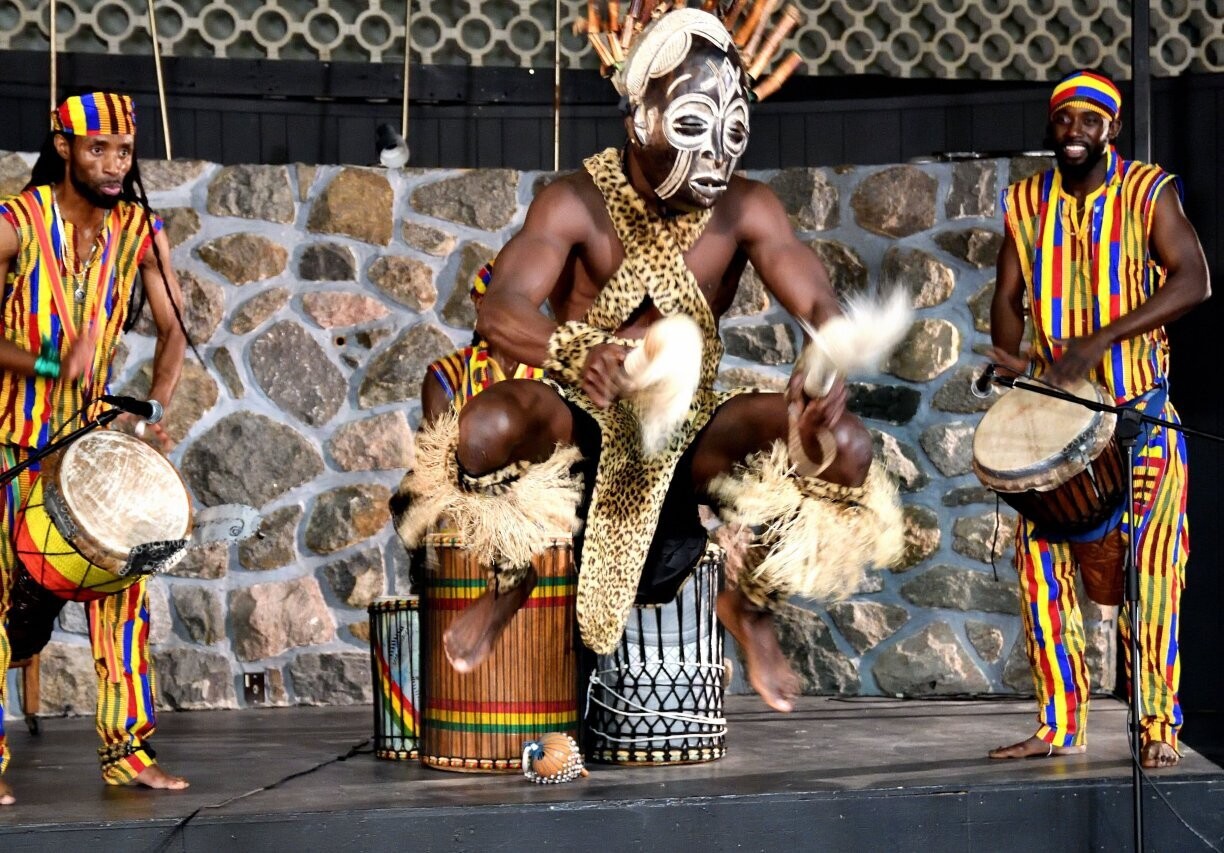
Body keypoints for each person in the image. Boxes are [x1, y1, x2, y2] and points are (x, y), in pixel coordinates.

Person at [394, 8, 902, 715]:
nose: (718, 156)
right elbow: (500, 308)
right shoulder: (574, 201)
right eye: (694, 125)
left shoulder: (746, 207)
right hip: (582, 420)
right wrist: (573, 351)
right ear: (641, 122)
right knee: (479, 430)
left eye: (732, 130)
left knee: (841, 447)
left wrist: (826, 369)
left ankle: (750, 602)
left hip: (689, 434)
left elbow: (820, 305)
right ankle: (513, 573)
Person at [986, 71, 1209, 768]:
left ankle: (1154, 728)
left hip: (1138, 419)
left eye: (1090, 121)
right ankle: (1058, 724)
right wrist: (1010, 354)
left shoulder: (1148, 192)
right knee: (1040, 574)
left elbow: (1193, 278)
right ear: (1051, 129)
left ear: (1110, 128)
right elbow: (1007, 293)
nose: (1075, 132)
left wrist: (1101, 339)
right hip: (1057, 428)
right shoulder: (1025, 204)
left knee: (1154, 574)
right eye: (1064, 121)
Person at [0, 92, 189, 804]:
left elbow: (174, 329)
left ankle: (127, 752)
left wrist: (152, 409)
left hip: (89, 447)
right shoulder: (18, 221)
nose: (113, 164)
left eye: (123, 149)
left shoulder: (140, 228)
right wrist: (52, 364)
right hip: (12, 443)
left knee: (122, 596)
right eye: (97, 148)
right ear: (64, 147)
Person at [419, 261, 545, 426]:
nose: (516, 310)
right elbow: (436, 449)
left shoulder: (548, 373)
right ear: (480, 304)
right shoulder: (446, 376)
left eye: (524, 301)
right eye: (506, 299)